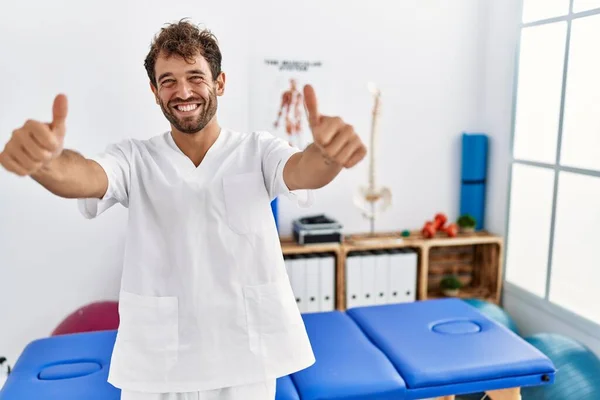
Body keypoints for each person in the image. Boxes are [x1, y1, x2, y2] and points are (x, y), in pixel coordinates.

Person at [0, 20, 366, 400]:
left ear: (219, 83)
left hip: (245, 357)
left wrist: (327, 154)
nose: (183, 91)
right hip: (159, 363)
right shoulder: (135, 159)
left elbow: (304, 170)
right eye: (168, 80)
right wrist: (45, 163)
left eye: (195, 76)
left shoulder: (258, 151)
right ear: (155, 91)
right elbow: (85, 175)